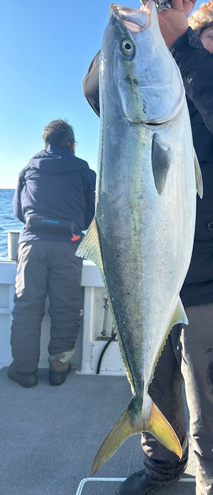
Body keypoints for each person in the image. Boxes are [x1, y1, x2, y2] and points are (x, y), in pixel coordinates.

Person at [82, 0, 213, 493]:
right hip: (150, 279)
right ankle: (162, 470)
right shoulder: (163, 95)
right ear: (191, 36)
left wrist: (187, 46)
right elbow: (97, 87)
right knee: (155, 389)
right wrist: (152, 23)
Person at [8, 119, 96, 388]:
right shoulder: (85, 171)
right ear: (71, 145)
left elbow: (18, 213)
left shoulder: (29, 168)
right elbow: (87, 218)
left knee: (26, 308)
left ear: (45, 144)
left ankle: (24, 371)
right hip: (68, 246)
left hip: (32, 244)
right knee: (66, 308)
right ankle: (59, 369)